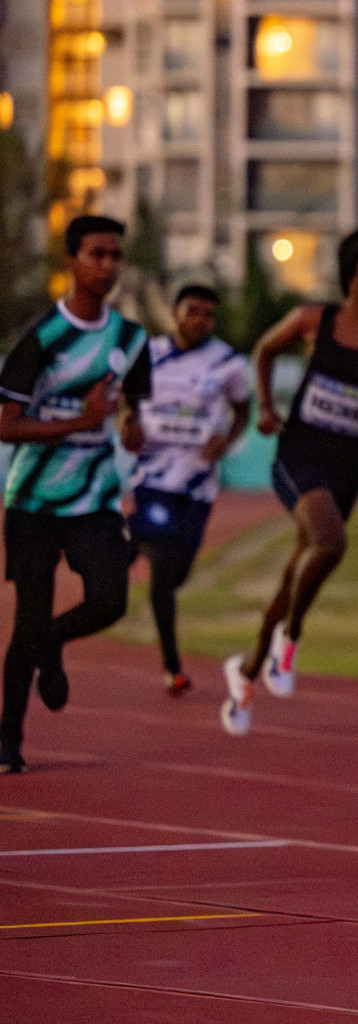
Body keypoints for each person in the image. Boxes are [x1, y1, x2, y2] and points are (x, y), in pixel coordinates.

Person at [220, 229, 358, 737]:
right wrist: (265, 406)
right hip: (298, 456)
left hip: (344, 468)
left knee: (295, 571)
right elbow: (263, 349)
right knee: (331, 541)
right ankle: (292, 635)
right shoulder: (315, 320)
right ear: (352, 269)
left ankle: (247, 672)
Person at [0, 215, 151, 774]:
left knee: (110, 598)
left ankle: (54, 642)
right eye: (96, 254)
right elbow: (4, 424)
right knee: (27, 618)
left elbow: (134, 411)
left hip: (95, 497)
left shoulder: (132, 340)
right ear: (72, 260)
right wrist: (76, 423)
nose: (107, 266)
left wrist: (134, 429)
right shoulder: (41, 339)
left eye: (115, 256)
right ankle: (8, 738)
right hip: (35, 500)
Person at [123, 284, 252, 696]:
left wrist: (226, 440)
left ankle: (129, 535)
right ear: (175, 312)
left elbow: (243, 408)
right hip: (155, 477)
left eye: (208, 314)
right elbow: (126, 400)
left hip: (198, 484)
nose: (199, 319)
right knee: (162, 572)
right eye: (192, 310)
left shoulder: (228, 362)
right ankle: (172, 667)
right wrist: (129, 423)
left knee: (179, 572)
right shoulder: (148, 354)